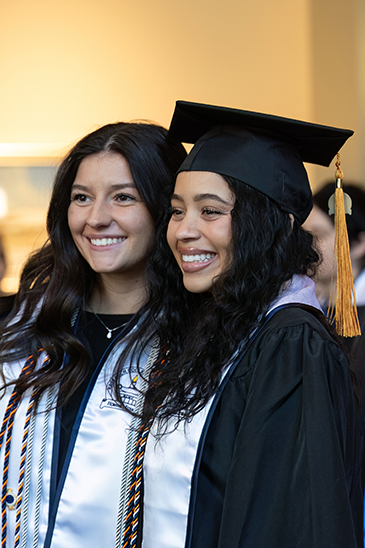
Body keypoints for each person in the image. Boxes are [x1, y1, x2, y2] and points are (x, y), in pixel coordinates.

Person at [136, 101, 363, 548]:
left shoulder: (292, 345)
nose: (183, 230)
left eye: (211, 211)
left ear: (265, 224)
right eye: (177, 210)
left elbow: (289, 523)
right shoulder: (225, 331)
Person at [0, 121, 186, 547]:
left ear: (165, 209)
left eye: (124, 197)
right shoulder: (25, 331)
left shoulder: (200, 344)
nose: (96, 219)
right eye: (81, 198)